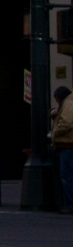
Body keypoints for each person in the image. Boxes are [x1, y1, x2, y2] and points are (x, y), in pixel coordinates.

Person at [52, 86, 73, 214]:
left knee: (67, 176)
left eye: (57, 100)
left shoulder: (69, 103)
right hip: (68, 145)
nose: (57, 102)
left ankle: (70, 205)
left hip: (68, 145)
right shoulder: (68, 102)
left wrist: (55, 133)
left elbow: (67, 122)